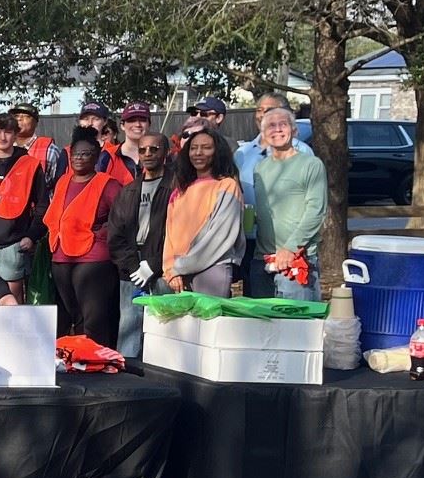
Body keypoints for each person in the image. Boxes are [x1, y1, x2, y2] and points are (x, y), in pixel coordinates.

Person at [45, 131, 120, 346]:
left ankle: (98, 361)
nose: (78, 158)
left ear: (96, 157)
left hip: (93, 259)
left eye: (85, 154)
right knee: (72, 315)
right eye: (75, 154)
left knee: (93, 319)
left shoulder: (107, 183)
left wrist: (101, 234)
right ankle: (78, 359)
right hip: (61, 256)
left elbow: (124, 217)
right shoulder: (63, 181)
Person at [251, 105, 326, 301]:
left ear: (294, 130)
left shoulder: (311, 165)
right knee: (261, 329)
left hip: (296, 259)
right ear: (263, 134)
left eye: (283, 125)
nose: (277, 130)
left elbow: (316, 211)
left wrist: (290, 248)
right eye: (271, 126)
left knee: (295, 326)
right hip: (262, 260)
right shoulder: (260, 168)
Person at [235, 93, 310, 286]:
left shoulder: (302, 152)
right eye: (258, 110)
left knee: (287, 303)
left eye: (268, 110)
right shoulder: (243, 152)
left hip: (286, 239)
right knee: (254, 300)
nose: (261, 115)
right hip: (251, 237)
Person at [110, 133, 171, 358]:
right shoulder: (128, 191)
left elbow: (180, 233)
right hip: (131, 268)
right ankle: (126, 376)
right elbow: (115, 233)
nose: (148, 154)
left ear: (165, 153)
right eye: (143, 150)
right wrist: (133, 265)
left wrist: (154, 264)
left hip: (164, 267)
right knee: (129, 325)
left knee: (164, 325)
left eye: (154, 149)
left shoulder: (176, 187)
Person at [164, 128, 244, 297]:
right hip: (177, 274)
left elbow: (220, 235)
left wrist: (180, 267)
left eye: (206, 147)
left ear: (218, 151)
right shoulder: (180, 191)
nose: (198, 153)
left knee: (209, 323)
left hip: (212, 268)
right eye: (193, 148)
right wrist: (170, 268)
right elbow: (169, 236)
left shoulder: (227, 185)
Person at [0, 113, 44, 297]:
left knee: (12, 301)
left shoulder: (30, 164)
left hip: (14, 244)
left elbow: (43, 204)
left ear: (15, 135)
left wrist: (32, 235)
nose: (3, 137)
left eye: (8, 132)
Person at [11, 103, 63, 183]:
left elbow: (58, 182)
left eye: (26, 116)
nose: (19, 119)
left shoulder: (49, 150)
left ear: (35, 123)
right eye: (16, 116)